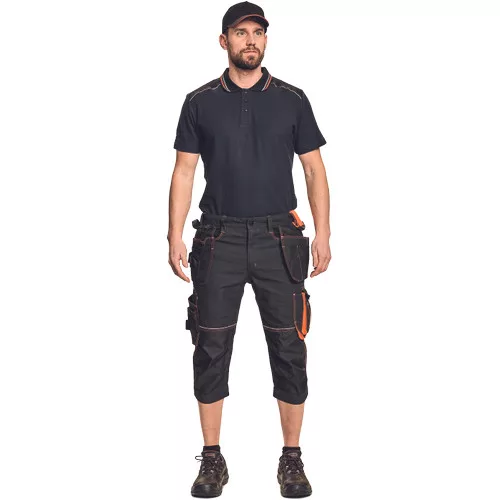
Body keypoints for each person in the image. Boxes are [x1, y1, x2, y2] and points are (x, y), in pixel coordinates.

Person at [169, 2, 331, 497]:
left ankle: (292, 459)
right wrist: (173, 235)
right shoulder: (199, 102)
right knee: (210, 347)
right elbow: (184, 171)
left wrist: (324, 233)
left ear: (265, 39)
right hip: (216, 239)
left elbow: (313, 169)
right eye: (240, 33)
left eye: (257, 32)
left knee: (289, 347)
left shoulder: (292, 99)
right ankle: (212, 459)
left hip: (280, 238)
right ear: (224, 41)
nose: (250, 40)